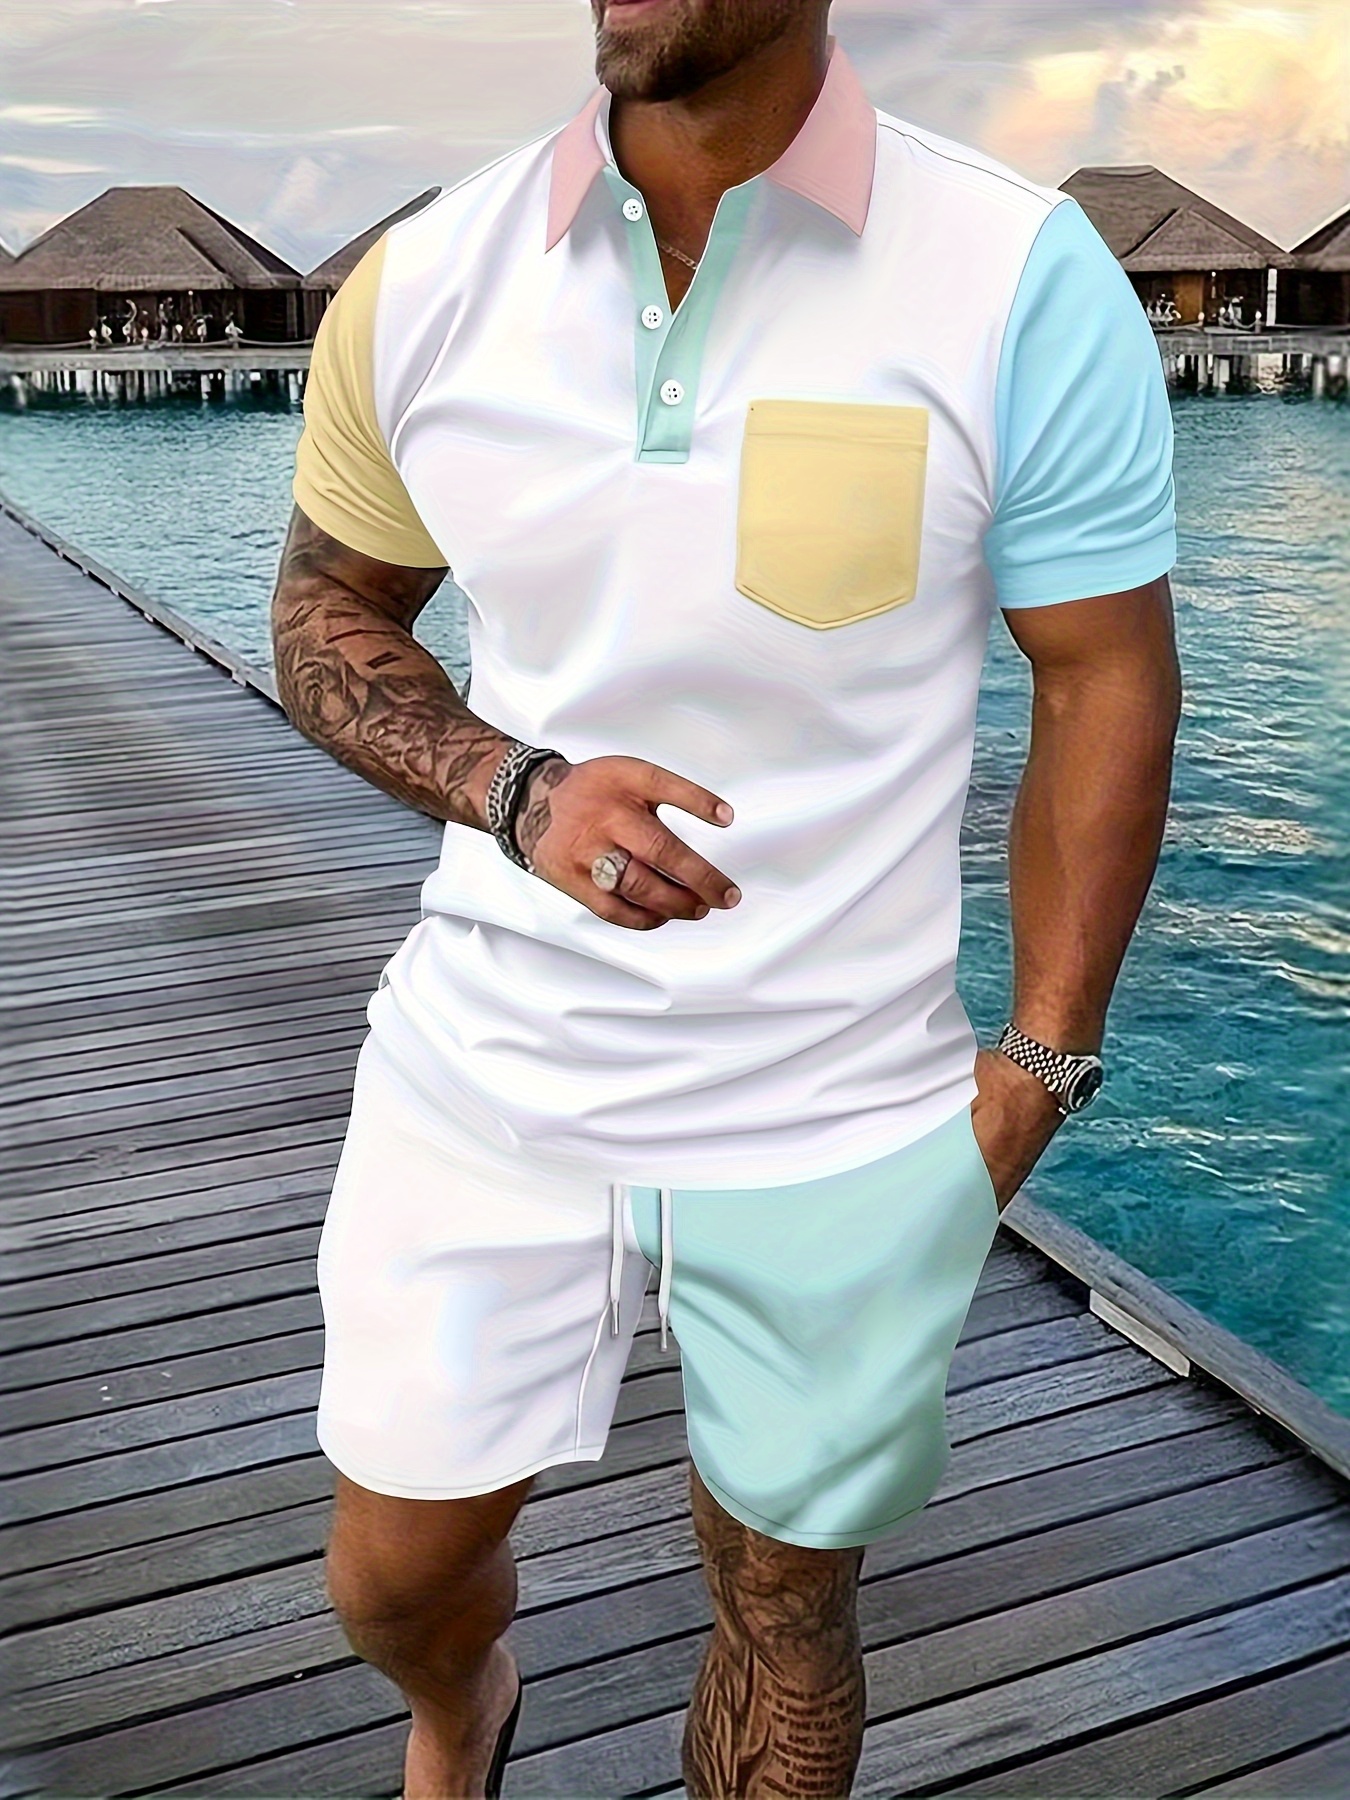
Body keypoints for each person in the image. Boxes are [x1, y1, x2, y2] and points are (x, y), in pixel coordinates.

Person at [272, 2, 1181, 1794]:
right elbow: (324, 611)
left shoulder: (1012, 274)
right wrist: (513, 787)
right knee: (391, 1578)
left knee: (784, 1608)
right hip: (486, 1075)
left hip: (838, 1108)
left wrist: (1040, 1063)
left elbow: (1102, 673)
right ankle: (463, 1706)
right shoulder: (427, 275)